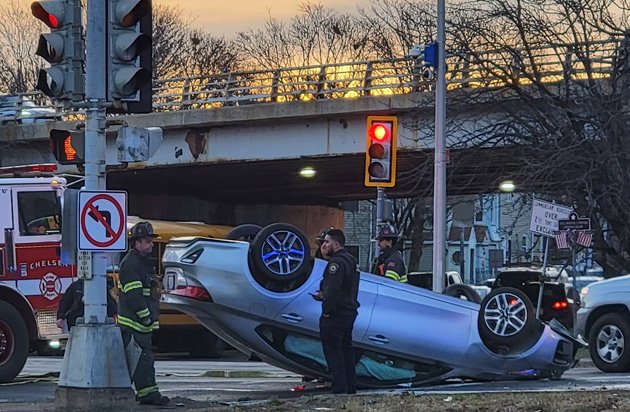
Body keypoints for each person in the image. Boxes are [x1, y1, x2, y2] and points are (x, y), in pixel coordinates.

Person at [118, 221, 169, 406]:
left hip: (140, 324)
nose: (151, 245)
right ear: (137, 243)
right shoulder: (131, 264)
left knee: (142, 360)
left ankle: (146, 393)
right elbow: (134, 295)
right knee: (143, 360)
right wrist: (146, 316)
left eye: (151, 241)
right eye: (147, 241)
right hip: (135, 324)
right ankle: (149, 395)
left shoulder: (141, 263)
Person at [313, 228, 360, 394]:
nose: (324, 245)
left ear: (336, 243)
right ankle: (349, 387)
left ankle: (339, 388)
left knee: (334, 352)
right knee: (346, 350)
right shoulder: (350, 260)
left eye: (326, 242)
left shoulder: (336, 263)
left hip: (336, 314)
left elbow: (333, 290)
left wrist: (326, 310)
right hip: (348, 312)